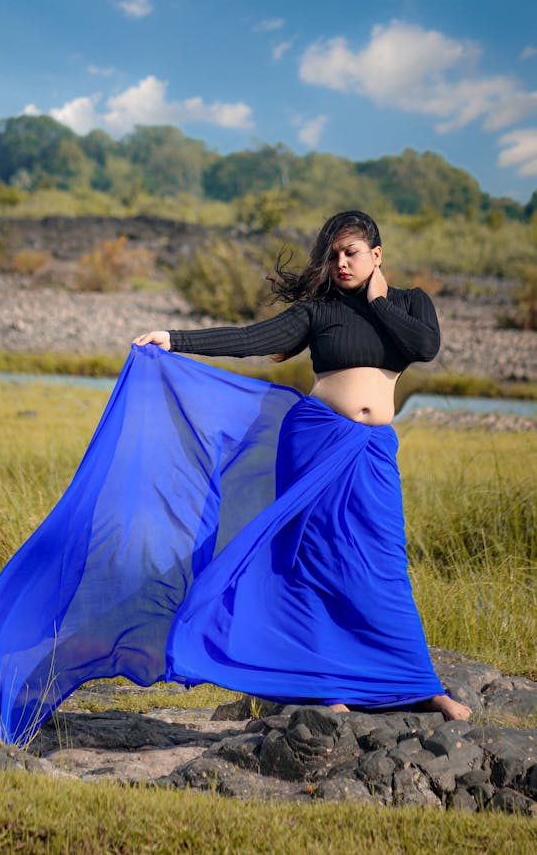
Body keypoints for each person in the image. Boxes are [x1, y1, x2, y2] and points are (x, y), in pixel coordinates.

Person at [134, 209, 471, 721]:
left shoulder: (408, 303)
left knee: (383, 564)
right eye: (333, 255)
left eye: (351, 253)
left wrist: (378, 300)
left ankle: (418, 684)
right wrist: (175, 340)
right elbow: (254, 339)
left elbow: (425, 347)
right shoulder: (320, 311)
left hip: (372, 450)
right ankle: (321, 685)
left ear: (376, 255)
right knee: (311, 564)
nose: (340, 263)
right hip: (315, 441)